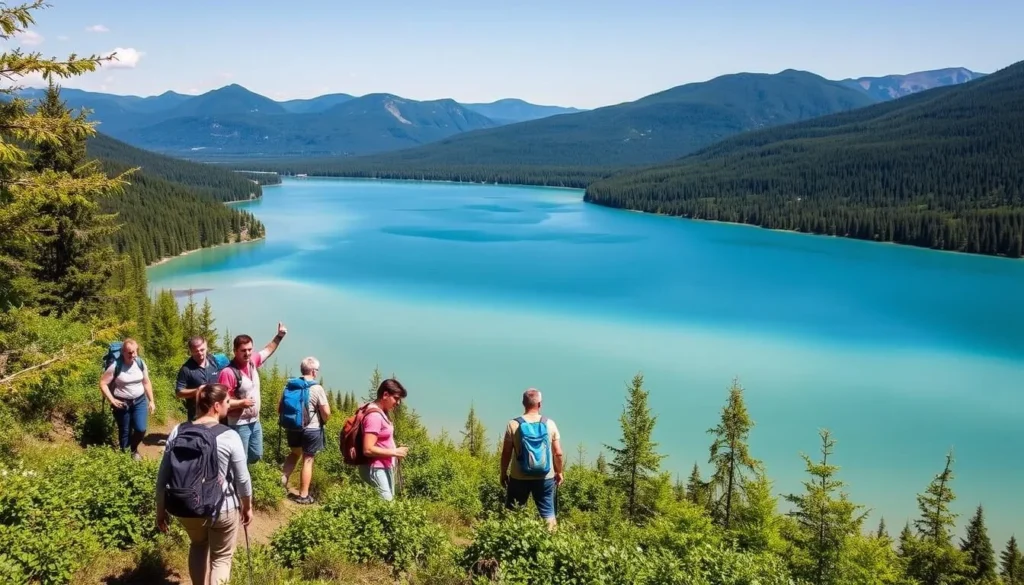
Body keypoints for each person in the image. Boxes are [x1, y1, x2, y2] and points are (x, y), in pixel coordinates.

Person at [155, 383, 253, 585]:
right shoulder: (230, 436)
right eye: (227, 402)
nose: (229, 405)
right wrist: (247, 506)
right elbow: (242, 479)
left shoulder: (178, 430)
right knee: (221, 559)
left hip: (187, 505)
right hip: (222, 508)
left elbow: (162, 476)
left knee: (198, 545)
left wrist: (160, 510)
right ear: (216, 406)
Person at [217, 323, 287, 464]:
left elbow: (268, 350)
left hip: (255, 421)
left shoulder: (253, 362)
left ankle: (241, 475)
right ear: (235, 351)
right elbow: (221, 402)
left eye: (250, 349)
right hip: (238, 423)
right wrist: (241, 403)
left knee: (256, 455)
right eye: (243, 350)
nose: (247, 353)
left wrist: (279, 336)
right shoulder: (228, 373)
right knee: (239, 460)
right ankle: (236, 481)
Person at [500, 388, 564, 529]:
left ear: (523, 403)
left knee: (513, 513)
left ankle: (511, 544)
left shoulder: (513, 424)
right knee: (548, 514)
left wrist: (503, 473)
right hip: (545, 477)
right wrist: (559, 472)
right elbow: (558, 453)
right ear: (540, 404)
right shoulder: (550, 424)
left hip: (518, 478)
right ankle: (552, 545)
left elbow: (506, 452)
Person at [279, 356, 330, 505]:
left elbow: (280, 409)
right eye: (317, 370)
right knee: (308, 459)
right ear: (313, 371)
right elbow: (326, 412)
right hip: (311, 429)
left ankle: (281, 483)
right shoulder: (316, 388)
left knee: (295, 454)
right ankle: (303, 495)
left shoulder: (289, 386)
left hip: (292, 427)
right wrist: (324, 421)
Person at [98, 337, 155, 460]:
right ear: (123, 352)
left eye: (135, 351)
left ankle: (133, 449)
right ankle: (125, 457)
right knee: (124, 431)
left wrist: (151, 401)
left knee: (141, 429)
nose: (133, 355)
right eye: (130, 352)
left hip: (139, 401)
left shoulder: (140, 363)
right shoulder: (115, 366)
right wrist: (112, 400)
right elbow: (103, 383)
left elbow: (146, 382)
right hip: (121, 403)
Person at [358, 378, 409, 501]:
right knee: (387, 503)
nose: (398, 403)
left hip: (383, 466)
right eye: (396, 398)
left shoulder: (382, 412)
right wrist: (395, 452)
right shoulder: (374, 416)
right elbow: (368, 449)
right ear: (385, 394)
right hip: (375, 467)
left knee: (386, 502)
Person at [175, 336, 224, 422]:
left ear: (206, 347)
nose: (200, 353)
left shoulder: (214, 361)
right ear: (191, 351)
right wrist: (198, 390)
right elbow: (179, 392)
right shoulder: (186, 369)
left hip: (216, 413)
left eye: (202, 350)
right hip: (197, 414)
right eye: (196, 351)